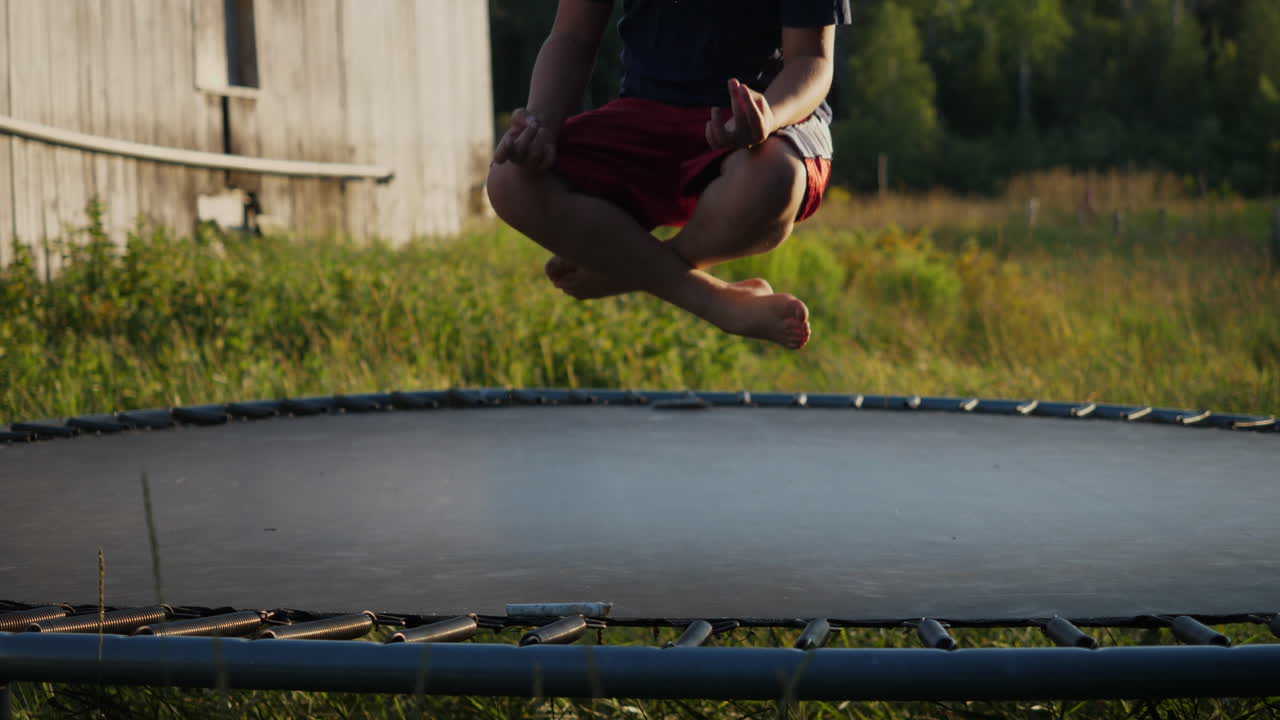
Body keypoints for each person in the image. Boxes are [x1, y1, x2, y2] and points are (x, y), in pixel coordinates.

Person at [486, 0, 851, 350]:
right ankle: (715, 301)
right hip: (645, 116)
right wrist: (541, 125)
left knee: (776, 177)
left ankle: (623, 267)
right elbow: (572, 37)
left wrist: (768, 116)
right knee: (511, 180)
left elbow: (811, 60)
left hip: (766, 119)